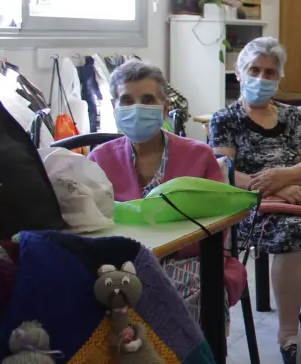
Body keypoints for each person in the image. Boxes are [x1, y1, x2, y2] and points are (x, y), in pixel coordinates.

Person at [88, 60, 247, 321]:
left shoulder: (198, 155)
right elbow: (90, 223)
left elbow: (219, 226)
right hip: (121, 263)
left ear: (164, 108)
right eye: (126, 100)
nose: (136, 108)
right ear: (114, 108)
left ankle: (187, 351)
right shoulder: (99, 159)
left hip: (189, 260)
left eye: (147, 100)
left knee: (189, 294)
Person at [209, 37, 301, 364]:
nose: (261, 78)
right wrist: (271, 189)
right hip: (253, 204)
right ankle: (290, 335)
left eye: (270, 72)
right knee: (293, 230)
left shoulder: (291, 116)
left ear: (279, 77)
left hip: (300, 195)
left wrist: (284, 179)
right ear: (239, 72)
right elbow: (223, 171)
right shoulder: (225, 119)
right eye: (254, 70)